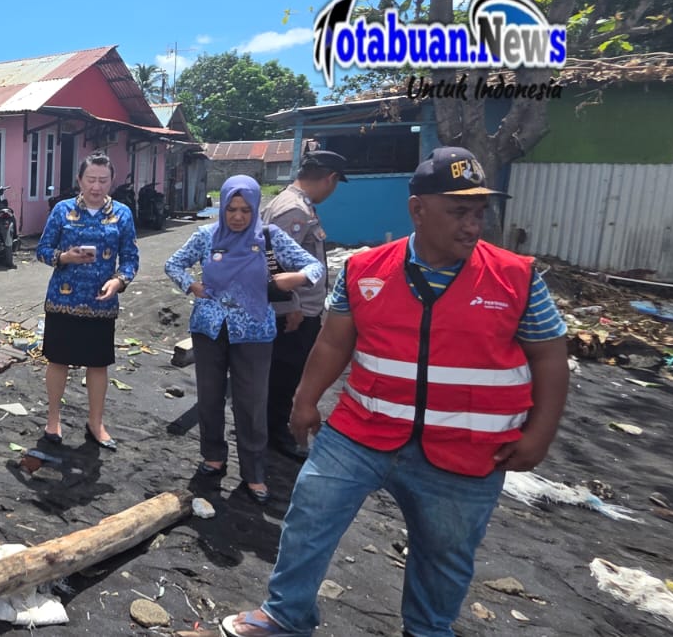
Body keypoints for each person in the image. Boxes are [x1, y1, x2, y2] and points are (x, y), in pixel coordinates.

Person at [219, 148, 569, 637]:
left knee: (444, 554)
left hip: (466, 449)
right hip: (363, 430)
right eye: (458, 211)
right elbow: (334, 341)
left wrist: (540, 434)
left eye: (478, 212)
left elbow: (551, 358)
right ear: (418, 210)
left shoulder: (516, 277)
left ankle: (426, 630)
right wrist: (305, 399)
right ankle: (285, 614)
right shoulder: (367, 270)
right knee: (310, 513)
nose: (472, 225)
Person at [165, 175, 321, 505]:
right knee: (209, 398)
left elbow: (315, 267)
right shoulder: (206, 236)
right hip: (209, 330)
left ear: (254, 209)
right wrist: (190, 285)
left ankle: (254, 472)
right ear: (222, 208)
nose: (237, 217)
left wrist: (298, 276)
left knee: (251, 403)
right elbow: (173, 263)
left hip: (254, 333)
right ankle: (213, 457)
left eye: (245, 210)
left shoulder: (268, 237)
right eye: (231, 209)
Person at [34, 152, 141, 451]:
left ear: (112, 182)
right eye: (91, 180)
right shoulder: (62, 211)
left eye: (103, 181)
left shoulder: (122, 214)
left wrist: (119, 281)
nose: (96, 187)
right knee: (58, 360)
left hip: (101, 303)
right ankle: (53, 420)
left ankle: (96, 422)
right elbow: (42, 250)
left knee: (98, 365)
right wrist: (63, 257)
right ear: (79, 180)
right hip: (62, 300)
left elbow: (131, 258)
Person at [260, 151, 348, 461]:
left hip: (298, 311)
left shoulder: (294, 204)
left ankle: (271, 427)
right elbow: (275, 266)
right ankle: (275, 433)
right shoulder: (293, 210)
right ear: (330, 178)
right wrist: (290, 306)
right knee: (284, 375)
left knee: (285, 373)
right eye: (335, 184)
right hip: (293, 314)